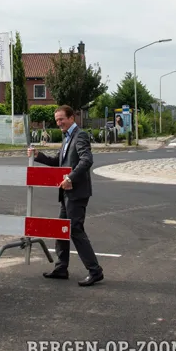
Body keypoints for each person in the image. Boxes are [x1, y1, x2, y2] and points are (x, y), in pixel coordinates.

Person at [27, 105, 103, 286]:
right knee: (60, 228)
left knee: (75, 230)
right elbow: (57, 162)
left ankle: (95, 271)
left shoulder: (80, 136)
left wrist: (70, 177)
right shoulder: (67, 138)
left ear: (71, 118)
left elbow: (87, 160)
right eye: (57, 120)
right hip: (66, 192)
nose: (59, 123)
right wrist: (39, 156)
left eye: (62, 119)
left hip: (77, 192)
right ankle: (61, 268)